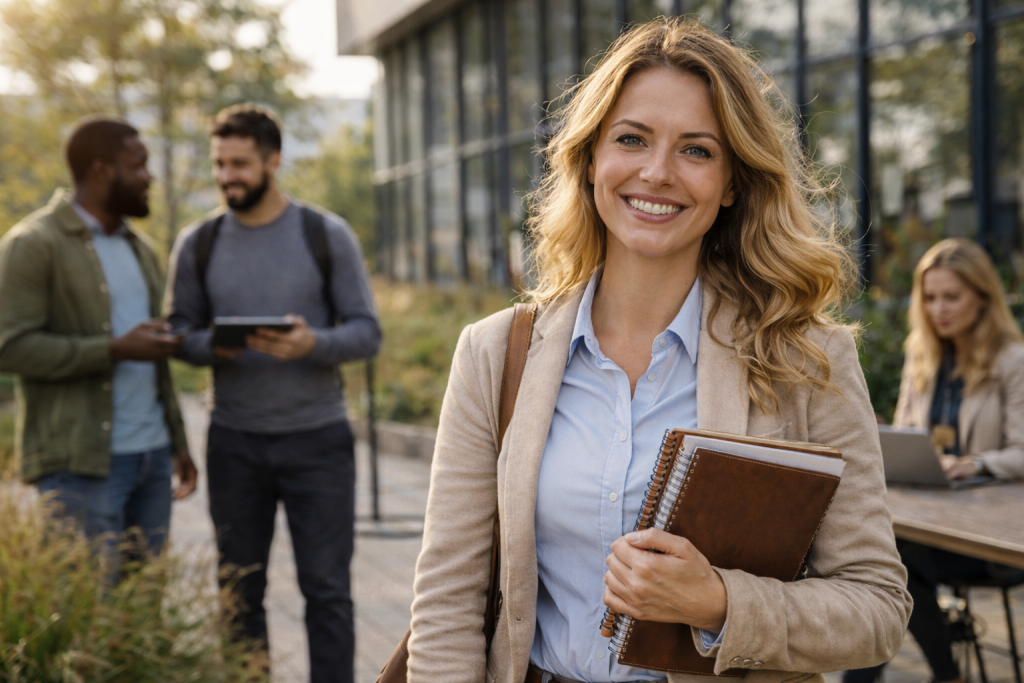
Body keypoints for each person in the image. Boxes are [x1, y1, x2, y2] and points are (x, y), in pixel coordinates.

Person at [407, 17, 911, 683]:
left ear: (732, 183)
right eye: (632, 139)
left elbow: (877, 608)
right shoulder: (496, 354)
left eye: (696, 150)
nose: (657, 172)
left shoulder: (804, 359)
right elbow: (447, 605)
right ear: (590, 159)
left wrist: (721, 602)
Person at [166, 103, 381, 683]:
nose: (226, 176)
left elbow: (367, 332)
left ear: (273, 161)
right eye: (219, 164)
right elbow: (178, 334)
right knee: (238, 592)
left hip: (319, 442)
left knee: (328, 592)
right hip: (234, 442)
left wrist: (313, 343)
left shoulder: (324, 234)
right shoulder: (198, 243)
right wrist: (214, 346)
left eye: (239, 163)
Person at [0, 117, 197, 564]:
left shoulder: (139, 247)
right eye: (138, 165)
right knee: (87, 602)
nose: (149, 177)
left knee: (144, 604)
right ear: (101, 170)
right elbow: (10, 347)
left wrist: (177, 441)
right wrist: (113, 350)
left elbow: (153, 355)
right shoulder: (34, 244)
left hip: (152, 458)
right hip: (80, 466)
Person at [844, 238, 1024, 683]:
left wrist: (975, 463)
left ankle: (944, 675)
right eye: (929, 297)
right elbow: (910, 435)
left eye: (951, 297)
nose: (937, 309)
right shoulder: (922, 355)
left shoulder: (1013, 361)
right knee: (880, 553)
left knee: (893, 559)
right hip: (929, 524)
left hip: (988, 538)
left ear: (982, 297)